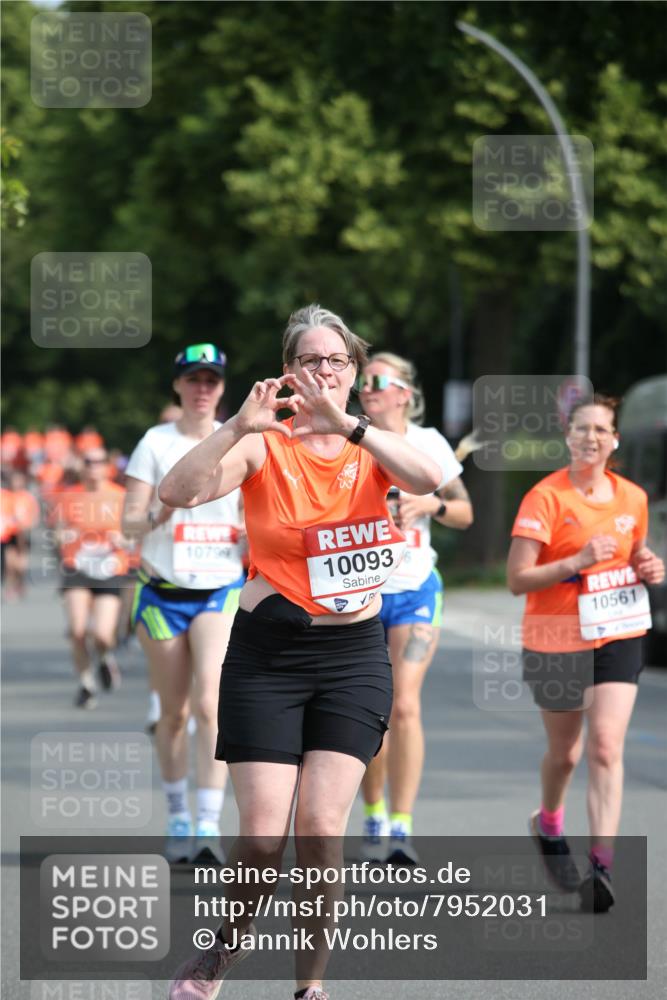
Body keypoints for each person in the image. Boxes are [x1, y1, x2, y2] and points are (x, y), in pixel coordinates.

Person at [160, 304, 441, 1000]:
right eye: (310, 360)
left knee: (319, 829)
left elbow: (429, 479)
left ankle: (309, 987)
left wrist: (352, 427)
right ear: (288, 370)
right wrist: (236, 426)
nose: (324, 371)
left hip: (352, 658)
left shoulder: (368, 443)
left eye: (337, 360)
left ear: (353, 371)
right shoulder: (265, 443)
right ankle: (224, 949)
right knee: (262, 836)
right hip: (268, 658)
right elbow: (177, 492)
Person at [507, 394, 664, 912]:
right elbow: (517, 579)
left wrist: (648, 566)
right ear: (567, 437)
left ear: (614, 439)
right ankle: (549, 822)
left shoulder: (633, 498)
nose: (591, 437)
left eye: (601, 429)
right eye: (581, 428)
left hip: (617, 631)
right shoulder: (545, 498)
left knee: (605, 747)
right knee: (566, 753)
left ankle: (601, 866)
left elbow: (634, 553)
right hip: (554, 637)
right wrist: (575, 561)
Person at [122, 344, 246, 863]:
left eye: (211, 380)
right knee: (173, 714)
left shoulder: (239, 440)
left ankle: (207, 823)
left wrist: (252, 537)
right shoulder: (155, 442)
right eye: (193, 379)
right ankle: (177, 815)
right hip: (163, 593)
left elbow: (257, 511)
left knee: (210, 704)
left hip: (220, 589)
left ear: (222, 388)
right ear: (177, 385)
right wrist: (157, 516)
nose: (202, 389)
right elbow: (127, 522)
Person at [357, 352, 473, 863]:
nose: (366, 387)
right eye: (362, 381)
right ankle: (373, 811)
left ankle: (401, 825)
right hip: (361, 592)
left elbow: (465, 512)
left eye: (377, 380)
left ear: (404, 393)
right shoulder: (350, 437)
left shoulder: (429, 443)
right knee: (369, 711)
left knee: (404, 705)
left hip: (415, 588)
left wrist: (432, 504)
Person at [53, 447, 127, 708]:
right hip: (77, 566)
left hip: (110, 568)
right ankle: (86, 684)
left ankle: (105, 658)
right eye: (88, 461)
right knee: (77, 630)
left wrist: (122, 539)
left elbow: (135, 533)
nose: (93, 466)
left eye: (99, 461)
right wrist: (63, 536)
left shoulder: (120, 496)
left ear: (107, 466)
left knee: (103, 634)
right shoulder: (68, 496)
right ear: (81, 466)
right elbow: (57, 532)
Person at [3, 470, 40, 600]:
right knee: (9, 564)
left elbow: (34, 516)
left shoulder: (27, 497)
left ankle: (20, 583)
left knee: (21, 565)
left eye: (19, 480)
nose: (16, 483)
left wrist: (27, 525)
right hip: (9, 535)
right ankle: (10, 587)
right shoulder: (4, 495)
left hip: (23, 535)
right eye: (14, 480)